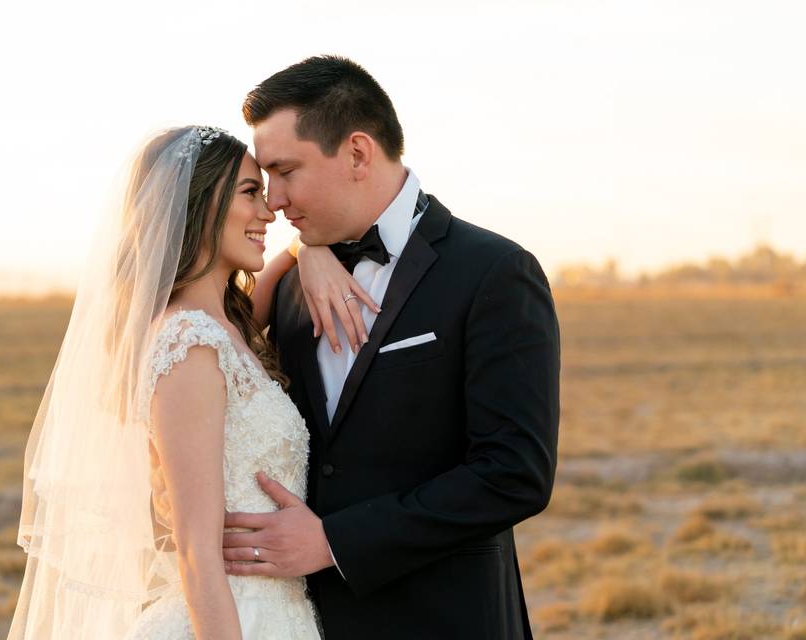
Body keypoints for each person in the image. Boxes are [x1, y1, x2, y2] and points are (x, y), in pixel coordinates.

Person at [222, 56, 561, 639]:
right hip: (307, 622)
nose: (273, 200)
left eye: (285, 171)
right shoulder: (292, 286)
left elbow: (515, 473)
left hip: (447, 619)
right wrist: (307, 251)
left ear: (357, 153)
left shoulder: (494, 271)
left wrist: (335, 542)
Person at [7, 125, 362, 639]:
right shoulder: (189, 346)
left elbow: (259, 292)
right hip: (234, 618)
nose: (268, 213)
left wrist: (306, 251)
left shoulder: (224, 326)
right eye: (249, 193)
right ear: (196, 207)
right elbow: (197, 554)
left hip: (278, 613)